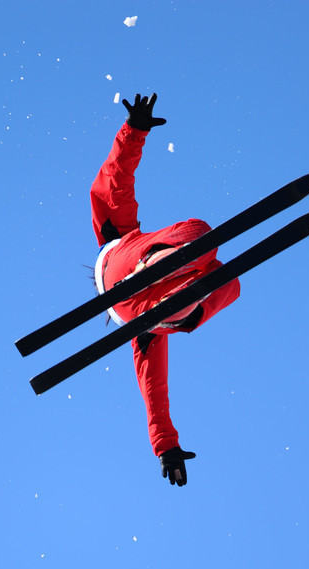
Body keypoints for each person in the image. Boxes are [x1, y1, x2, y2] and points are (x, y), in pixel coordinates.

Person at [90, 93, 240, 486]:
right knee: (202, 236)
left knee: (227, 278)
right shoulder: (116, 231)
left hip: (139, 311)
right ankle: (170, 282)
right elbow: (114, 180)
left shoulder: (145, 337)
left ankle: (180, 297)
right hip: (122, 264)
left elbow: (153, 390)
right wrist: (134, 130)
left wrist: (167, 446)